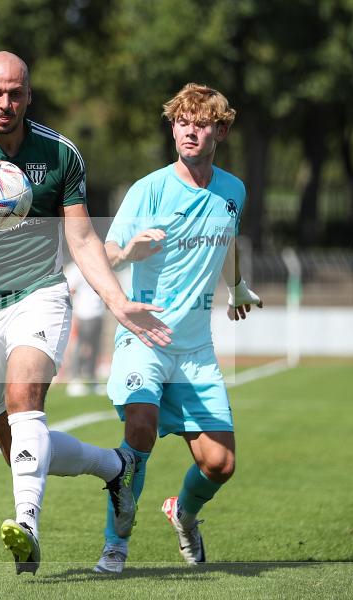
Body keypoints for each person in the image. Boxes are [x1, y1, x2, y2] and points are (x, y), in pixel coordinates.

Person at [0, 51, 172, 575]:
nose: (4, 103)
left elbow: (82, 238)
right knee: (16, 447)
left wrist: (118, 302)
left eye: (15, 93)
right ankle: (114, 467)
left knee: (24, 397)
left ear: (29, 95)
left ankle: (27, 527)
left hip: (39, 294)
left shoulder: (60, 154)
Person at [94, 83, 263, 573]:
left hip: (194, 351)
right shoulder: (148, 189)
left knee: (220, 464)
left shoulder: (233, 190)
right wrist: (129, 252)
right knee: (140, 428)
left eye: (201, 123)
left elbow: (226, 240)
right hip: (144, 338)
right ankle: (116, 544)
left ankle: (183, 514)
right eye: (182, 122)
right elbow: (106, 253)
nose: (190, 131)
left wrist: (237, 287)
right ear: (172, 128)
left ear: (221, 131)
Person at [64, 261, 106, 397]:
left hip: (98, 313)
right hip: (82, 313)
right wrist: (72, 312)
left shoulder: (99, 263)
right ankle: (74, 379)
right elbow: (69, 290)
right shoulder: (75, 268)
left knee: (95, 348)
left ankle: (92, 379)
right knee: (79, 347)